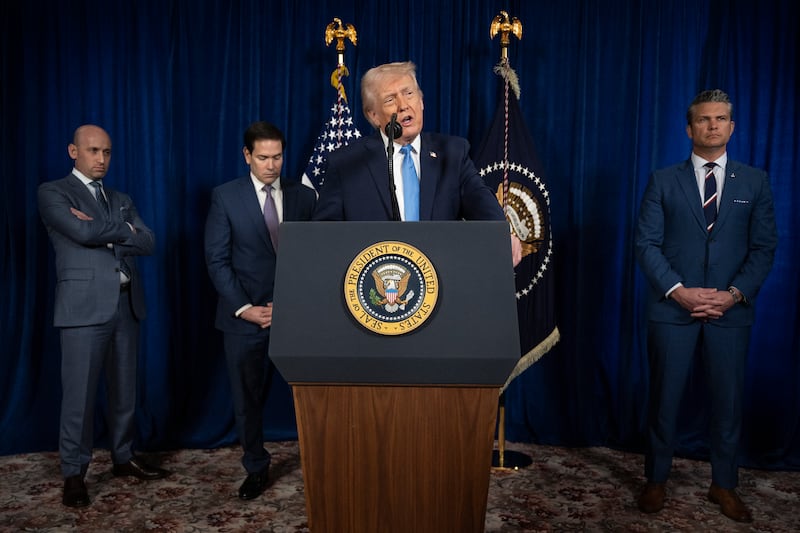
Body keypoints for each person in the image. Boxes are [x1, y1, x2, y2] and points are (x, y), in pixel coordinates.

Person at [634, 90, 777, 523]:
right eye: (703, 119)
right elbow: (646, 243)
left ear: (732, 127)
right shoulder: (663, 180)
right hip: (672, 311)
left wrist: (732, 295)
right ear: (689, 128)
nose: (712, 125)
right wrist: (679, 291)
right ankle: (656, 480)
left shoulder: (755, 182)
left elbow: (765, 247)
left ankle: (724, 485)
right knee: (664, 400)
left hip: (730, 314)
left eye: (721, 119)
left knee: (728, 403)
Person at [37, 124, 169, 508]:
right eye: (93, 151)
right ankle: (74, 472)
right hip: (83, 308)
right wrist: (119, 230)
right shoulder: (53, 192)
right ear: (73, 151)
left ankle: (123, 456)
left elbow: (148, 241)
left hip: (126, 305)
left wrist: (108, 229)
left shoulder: (120, 196)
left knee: (125, 391)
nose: (101, 159)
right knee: (78, 396)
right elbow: (78, 232)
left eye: (107, 152)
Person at [312, 61, 522, 265]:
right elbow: (323, 236)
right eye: (390, 100)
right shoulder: (347, 163)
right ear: (373, 115)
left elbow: (483, 207)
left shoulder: (453, 154)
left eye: (409, 93)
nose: (403, 106)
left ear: (421, 101)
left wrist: (503, 234)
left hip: (440, 282)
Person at [204, 121, 317, 500]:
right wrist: (244, 308)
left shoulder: (303, 196)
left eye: (278, 157)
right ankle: (256, 466)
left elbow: (314, 258)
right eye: (264, 157)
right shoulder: (225, 197)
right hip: (245, 319)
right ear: (247, 156)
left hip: (296, 316)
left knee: (312, 394)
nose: (272, 165)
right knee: (246, 400)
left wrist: (292, 304)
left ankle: (321, 461)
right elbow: (217, 260)